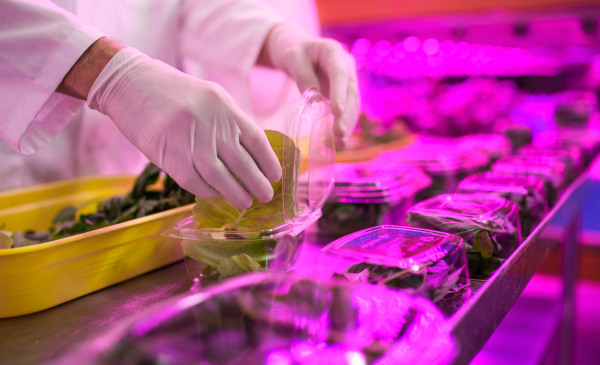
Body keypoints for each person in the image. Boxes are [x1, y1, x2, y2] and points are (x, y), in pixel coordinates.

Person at [0, 0, 360, 209]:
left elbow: (183, 6)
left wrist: (277, 38)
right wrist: (106, 72)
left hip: (126, 197)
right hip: (17, 184)